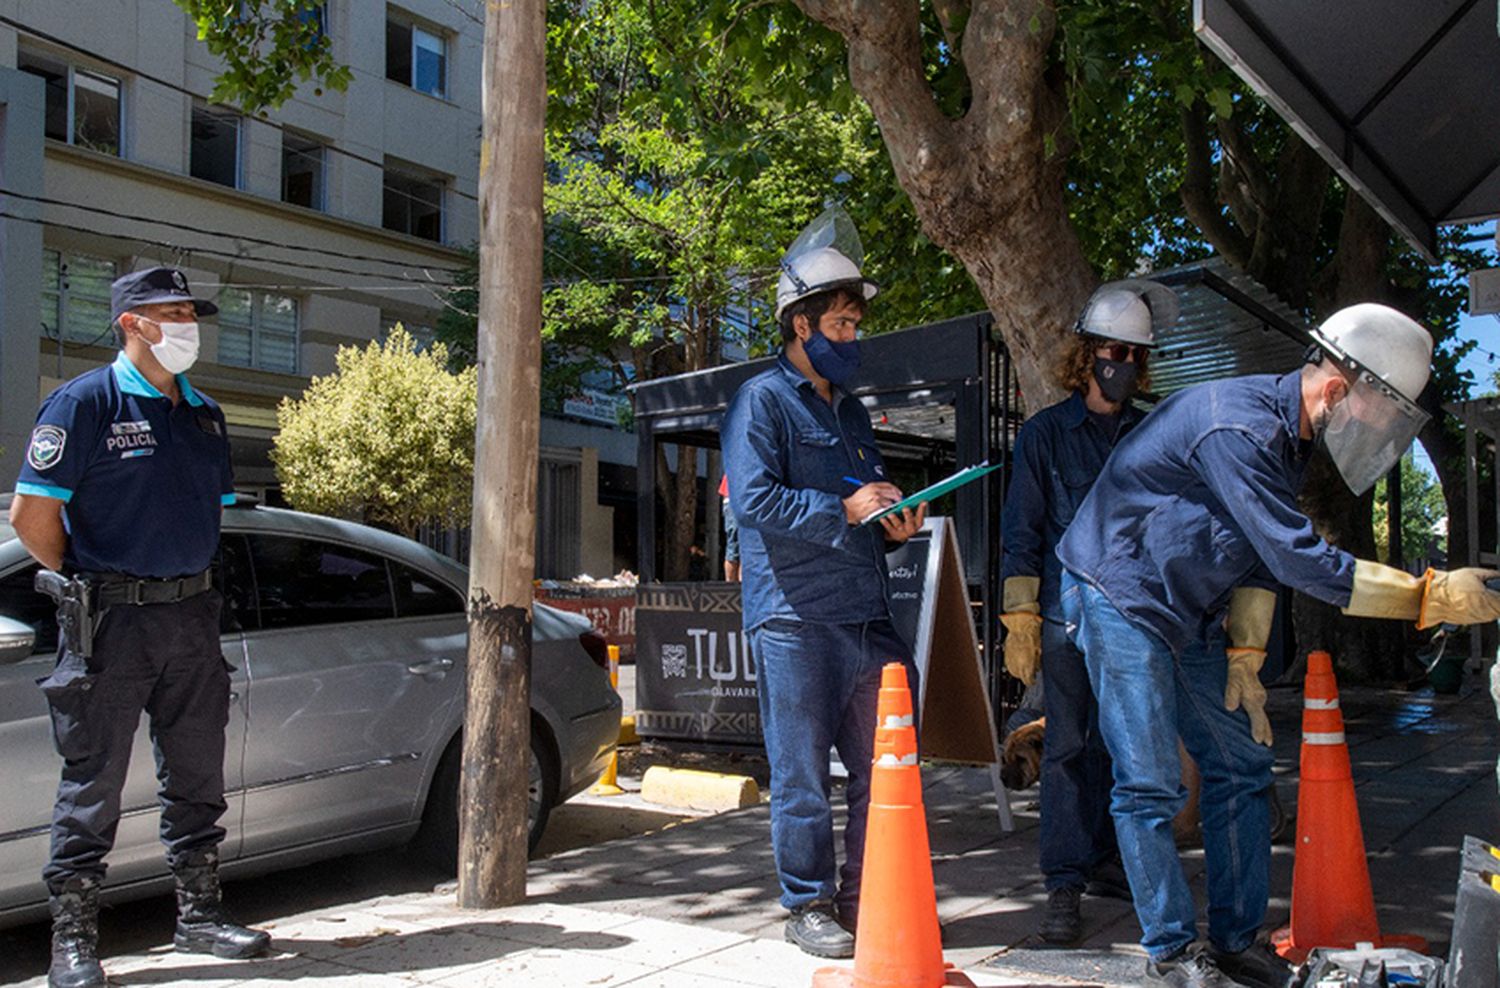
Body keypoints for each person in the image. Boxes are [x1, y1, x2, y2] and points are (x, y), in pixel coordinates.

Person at [1055, 302, 1500, 988]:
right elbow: (1297, 559)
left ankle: (1234, 942)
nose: (1373, 435)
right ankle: (1172, 953)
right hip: (1118, 593)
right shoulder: (1238, 426)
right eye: (1378, 418)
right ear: (1337, 390)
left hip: (1182, 610)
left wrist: (1246, 654)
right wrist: (1425, 594)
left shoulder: (1287, 440)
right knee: (1149, 784)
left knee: (1240, 767)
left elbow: (1259, 556)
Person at [9, 267, 271, 988]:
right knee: (92, 784)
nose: (188, 323)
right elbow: (31, 519)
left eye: (192, 311)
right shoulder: (83, 402)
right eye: (173, 311)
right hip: (112, 621)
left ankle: (198, 916)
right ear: (132, 322)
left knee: (197, 775)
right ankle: (73, 941)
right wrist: (97, 576)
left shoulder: (202, 413)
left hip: (192, 616)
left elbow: (210, 515)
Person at [723, 210, 925, 959]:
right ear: (798, 322)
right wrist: (843, 508)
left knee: (885, 766)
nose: (850, 339)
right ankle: (806, 906)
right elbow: (754, 502)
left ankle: (865, 898)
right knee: (803, 774)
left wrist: (891, 518)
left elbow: (863, 501)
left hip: (864, 611)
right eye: (839, 325)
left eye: (853, 326)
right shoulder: (761, 402)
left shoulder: (855, 414)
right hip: (794, 617)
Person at [1000, 279, 1178, 943]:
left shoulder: (1151, 431)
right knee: (1070, 747)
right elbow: (1024, 527)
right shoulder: (1047, 434)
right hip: (1067, 617)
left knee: (1125, 745)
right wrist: (1021, 617)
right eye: (1114, 350)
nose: (1125, 363)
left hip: (1135, 617)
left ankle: (1107, 859)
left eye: (1135, 353)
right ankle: (1064, 883)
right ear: (1087, 355)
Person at [720, 474, 741, 581]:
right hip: (735, 496)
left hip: (745, 495)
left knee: (744, 547)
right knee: (735, 546)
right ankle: (731, 588)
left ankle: (739, 589)